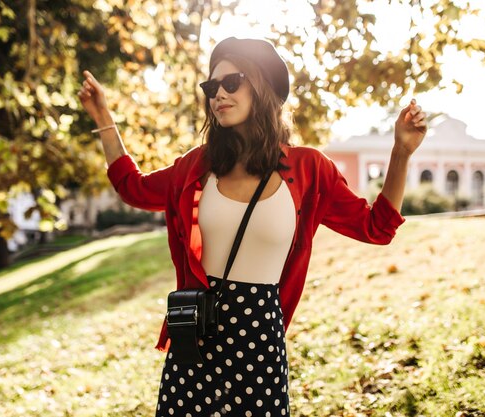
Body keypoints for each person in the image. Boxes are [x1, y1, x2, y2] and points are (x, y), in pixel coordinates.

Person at [78, 36, 427, 417]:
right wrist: (103, 119)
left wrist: (401, 153)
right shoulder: (197, 166)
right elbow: (134, 187)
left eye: (231, 82)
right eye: (212, 87)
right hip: (196, 334)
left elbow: (377, 227)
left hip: (259, 339)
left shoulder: (310, 169)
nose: (218, 95)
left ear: (261, 87)